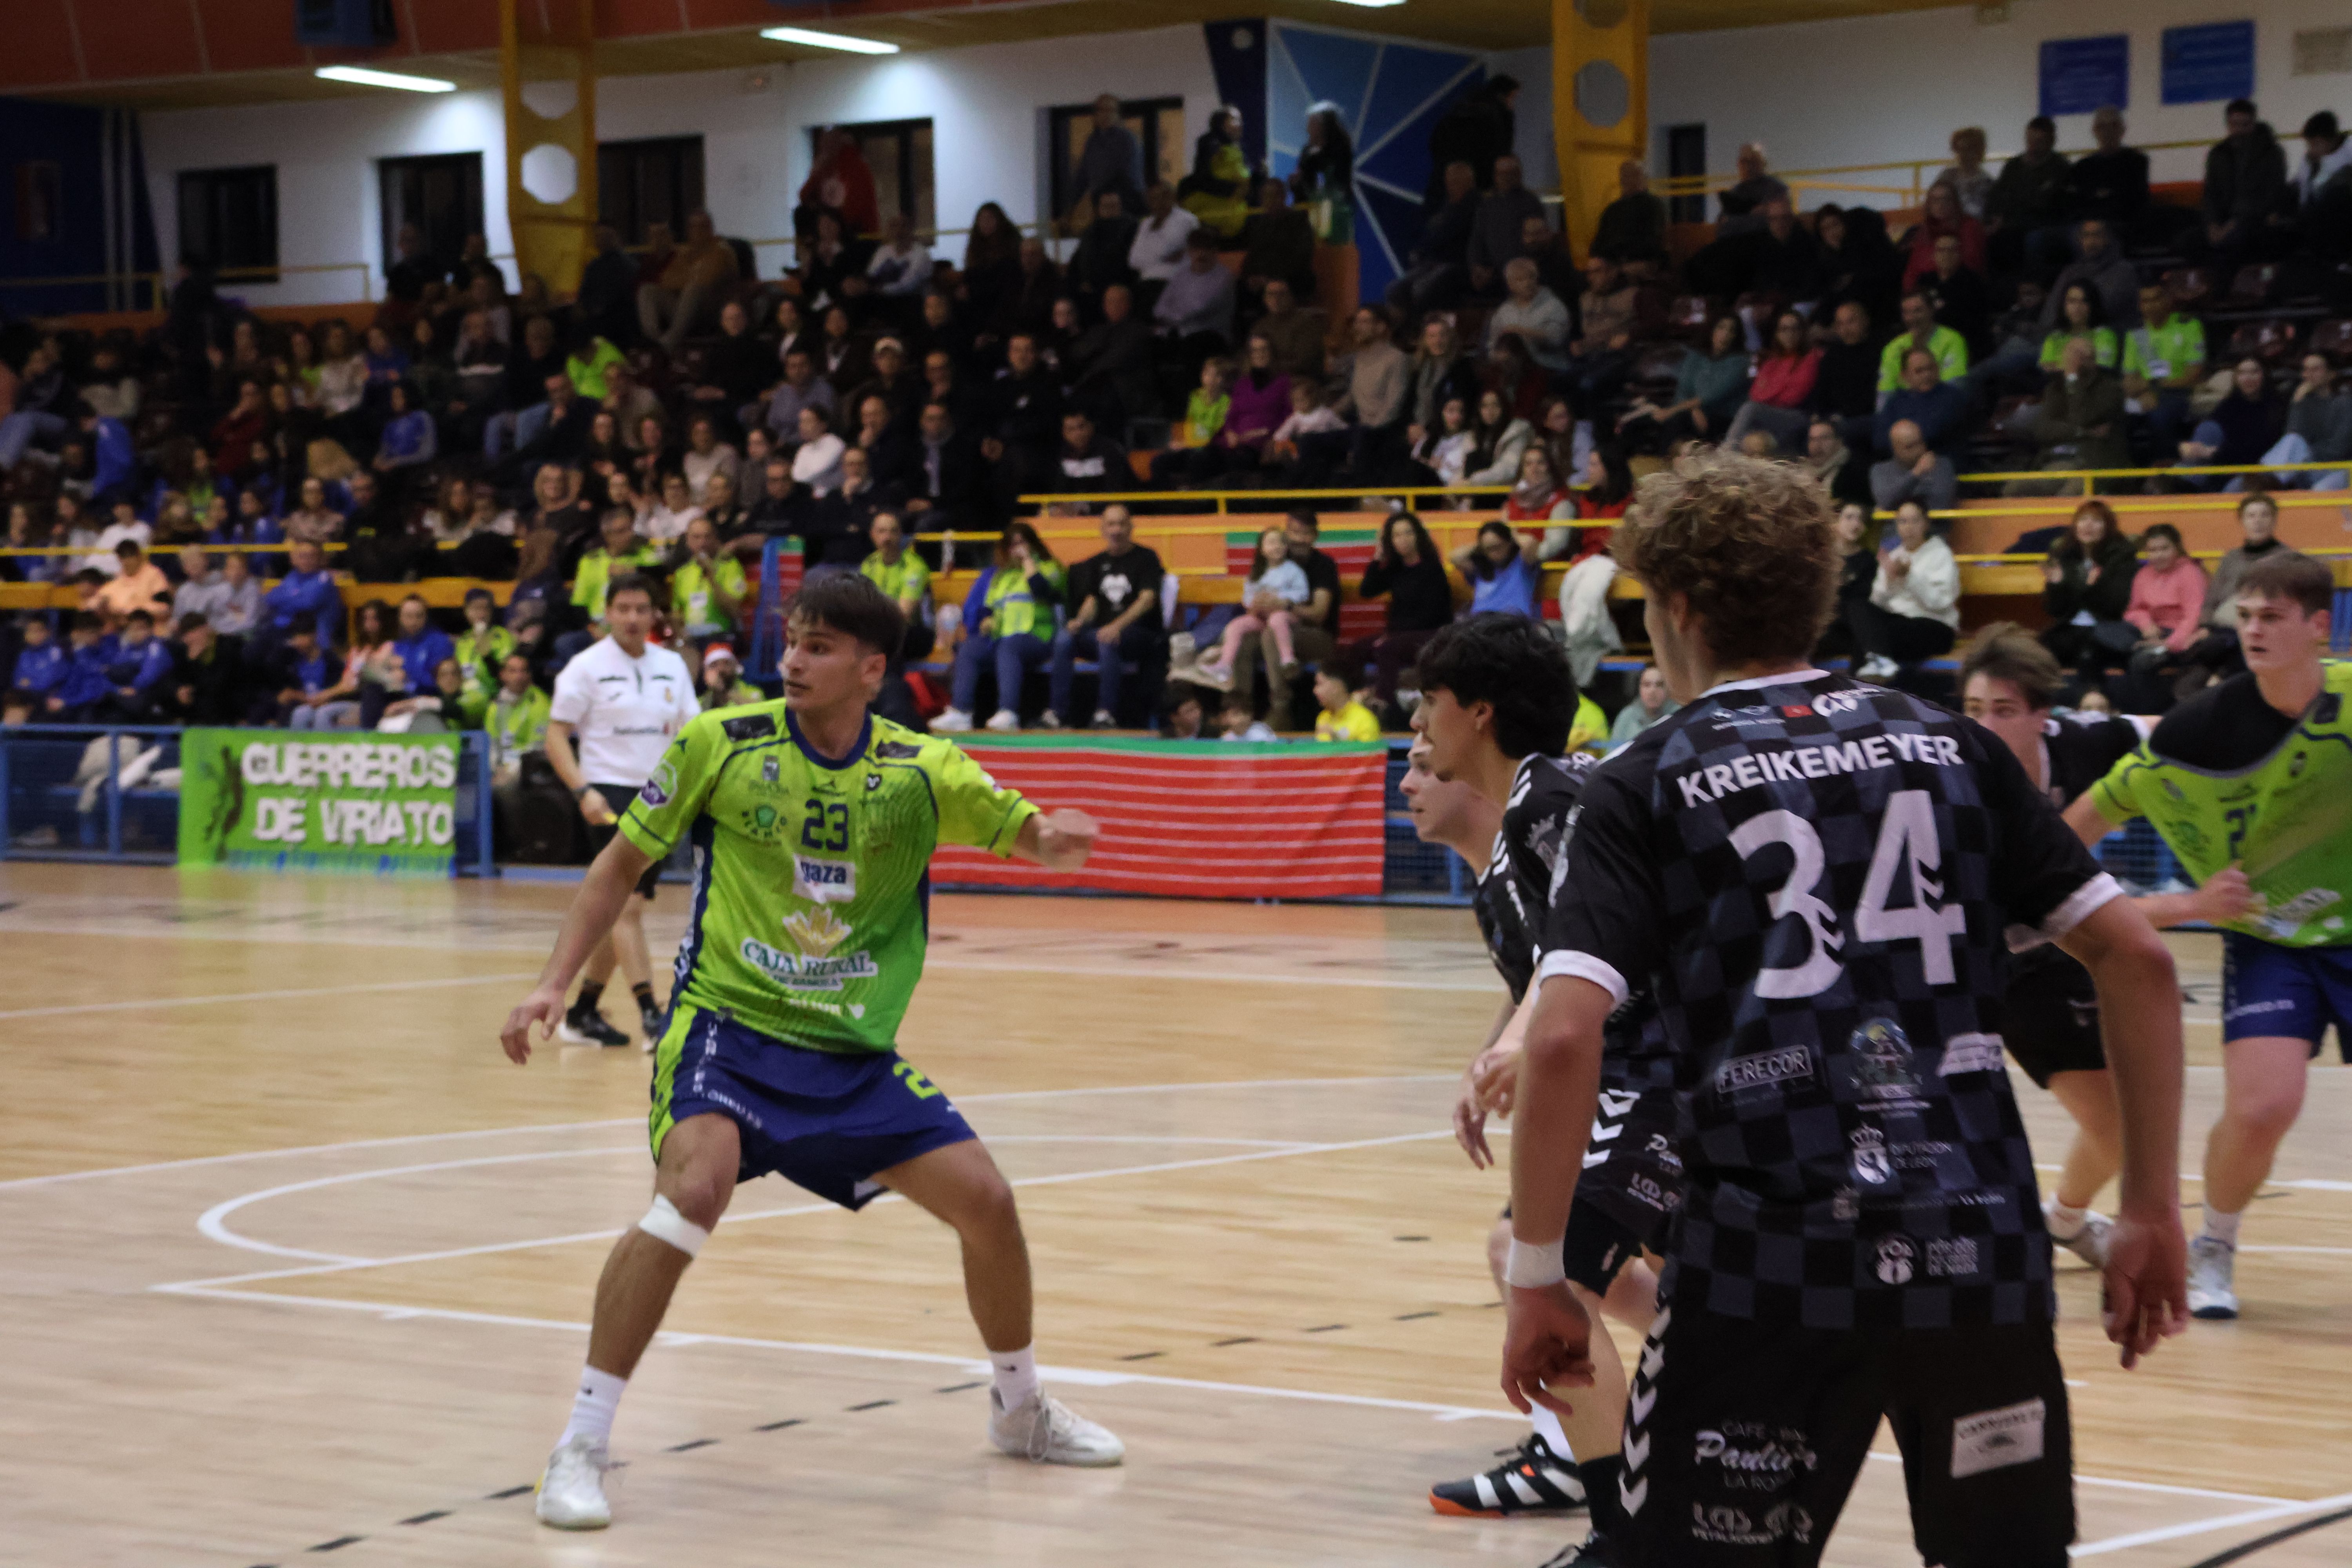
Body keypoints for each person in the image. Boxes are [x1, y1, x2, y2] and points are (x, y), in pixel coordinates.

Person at [1505, 447, 2189, 1568]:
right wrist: (2152, 1206)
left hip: (1764, 1276)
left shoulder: (1645, 779)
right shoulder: (1954, 748)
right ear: (1820, 592)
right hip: (1976, 1260)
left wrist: (1539, 1276)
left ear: (1676, 608)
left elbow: (1567, 1032)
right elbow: (2140, 964)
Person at [508, 573, 1119, 1531]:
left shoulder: (922, 768)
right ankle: (579, 1443)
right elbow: (619, 866)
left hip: (851, 1054)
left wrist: (1054, 840)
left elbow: (1023, 832)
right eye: (794, 640)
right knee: (691, 1198)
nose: (794, 658)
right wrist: (552, 983)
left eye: (822, 645)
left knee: (990, 1204)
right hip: (727, 1030)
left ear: (872, 670)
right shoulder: (722, 742)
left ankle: (1020, 1408)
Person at [1412, 613, 1676, 1561]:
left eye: (1430, 705)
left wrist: (1539, 1039)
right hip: (1638, 1070)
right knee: (1567, 1263)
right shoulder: (1533, 811)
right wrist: (1517, 1040)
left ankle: (1618, 1526)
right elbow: (1561, 969)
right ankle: (1622, 1508)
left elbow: (1622, 939)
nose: (1421, 728)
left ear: (1477, 713)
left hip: (1666, 1070)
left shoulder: (1553, 799)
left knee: (1553, 1263)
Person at [2062, 550, 2348, 1322]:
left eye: (2271, 617)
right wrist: (2182, 901)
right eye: (2245, 616)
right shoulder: (2201, 731)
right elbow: (2077, 827)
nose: (2252, 630)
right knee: (2263, 1108)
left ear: (2319, 627)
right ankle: (2215, 1241)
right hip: (2272, 939)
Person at [1960, 625, 2250, 1270]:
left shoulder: (2083, 743)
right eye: (1973, 710)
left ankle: (2062, 1219)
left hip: (2070, 951)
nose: (1982, 726)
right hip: (2010, 962)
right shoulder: (1963, 792)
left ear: (2044, 716)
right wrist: (2195, 905)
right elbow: (2074, 917)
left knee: (2122, 1123)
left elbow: (2168, 730)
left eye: (2003, 711)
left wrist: (2242, 704)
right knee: (2119, 1126)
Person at [543, 574, 698, 1049]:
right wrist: (583, 789)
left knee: (621, 910)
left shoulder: (672, 665)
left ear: (654, 615)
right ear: (607, 613)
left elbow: (692, 733)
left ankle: (585, 1010)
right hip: (607, 796)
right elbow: (555, 736)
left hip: (660, 795)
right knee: (627, 905)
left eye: (641, 609)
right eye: (624, 608)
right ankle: (652, 1015)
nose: (633, 618)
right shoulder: (585, 667)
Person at [931, 523, 1067, 734]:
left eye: (1022, 543)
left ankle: (1009, 713)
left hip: (1038, 637)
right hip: (1002, 638)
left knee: (1009, 648)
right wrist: (987, 620)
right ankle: (961, 713)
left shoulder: (1050, 567)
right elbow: (988, 607)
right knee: (970, 649)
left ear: (1034, 544)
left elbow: (1044, 592)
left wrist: (1029, 562)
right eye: (1012, 546)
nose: (1017, 549)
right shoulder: (1001, 577)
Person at [1046, 505, 1163, 731]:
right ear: (1102, 529)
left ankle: (1105, 713)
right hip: (1101, 633)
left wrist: (1116, 627)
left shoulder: (1147, 558)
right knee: (1064, 640)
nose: (1116, 530)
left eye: (1121, 524)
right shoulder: (1095, 564)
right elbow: (1092, 602)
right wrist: (1078, 622)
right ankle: (1056, 714)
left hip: (1140, 634)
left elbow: (1147, 600)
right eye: (1111, 524)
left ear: (1131, 527)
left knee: (1107, 639)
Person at [1349, 512, 1454, 714]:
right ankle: (1355, 701)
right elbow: (1367, 591)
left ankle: (1383, 703)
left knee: (1386, 648)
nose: (1403, 539)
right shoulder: (1395, 569)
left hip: (1432, 635)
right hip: (1399, 636)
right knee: (1358, 648)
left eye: (1408, 533)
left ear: (1418, 536)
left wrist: (1392, 636)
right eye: (1397, 535)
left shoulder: (1432, 569)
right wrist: (1377, 559)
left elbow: (1433, 615)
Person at [1848, 497, 1959, 682]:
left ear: (1926, 524)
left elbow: (1940, 603)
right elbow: (1878, 603)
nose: (1909, 527)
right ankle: (1877, 671)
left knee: (1867, 643)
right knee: (1857, 607)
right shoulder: (1894, 556)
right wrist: (1891, 581)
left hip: (1934, 627)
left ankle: (1858, 691)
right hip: (1900, 625)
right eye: (1903, 521)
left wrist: (1910, 577)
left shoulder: (1941, 554)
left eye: (1915, 521)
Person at [1189, 525, 1310, 691]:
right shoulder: (1257, 573)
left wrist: (1280, 600)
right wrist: (1254, 605)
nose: (1277, 546)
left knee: (1277, 619)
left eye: (1281, 543)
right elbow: (1248, 598)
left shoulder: (1293, 571)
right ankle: (1225, 664)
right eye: (1271, 543)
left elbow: (1302, 593)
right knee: (1236, 626)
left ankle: (1287, 659)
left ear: (1286, 547)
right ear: (1262, 549)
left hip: (1286, 615)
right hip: (1262, 616)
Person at [2122, 281, 2207, 460]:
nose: (2152, 305)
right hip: (2144, 395)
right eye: (2146, 301)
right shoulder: (2137, 333)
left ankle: (2165, 469)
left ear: (2168, 300)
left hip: (2179, 394)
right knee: (2117, 416)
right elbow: (2129, 380)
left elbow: (2193, 374)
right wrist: (2145, 392)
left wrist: (2153, 388)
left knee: (2160, 416)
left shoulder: (2188, 326)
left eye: (2157, 299)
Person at [2203, 99, 2289, 268]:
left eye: (2245, 125)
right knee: (2187, 241)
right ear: (2228, 124)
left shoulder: (2271, 153)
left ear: (2254, 124)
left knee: (2234, 240)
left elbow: (2270, 196)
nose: (2239, 130)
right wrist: (2212, 223)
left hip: (2255, 222)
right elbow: (2210, 194)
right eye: (2235, 125)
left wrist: (2232, 224)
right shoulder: (2218, 154)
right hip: (2223, 222)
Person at [2264, 351, 2352, 490]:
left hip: (2338, 469)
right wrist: (2297, 403)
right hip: (2306, 467)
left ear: (2331, 374)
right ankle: (2266, 484)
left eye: (2316, 369)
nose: (2308, 375)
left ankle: (2267, 485)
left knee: (2320, 490)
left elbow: (2338, 451)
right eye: (2306, 370)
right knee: (2237, 485)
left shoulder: (2345, 404)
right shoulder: (2303, 403)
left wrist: (2303, 453)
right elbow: (2291, 438)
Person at [1448, 521, 1540, 621]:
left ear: (1509, 543)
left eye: (1498, 547)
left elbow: (1530, 543)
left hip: (1514, 621)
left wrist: (1512, 534)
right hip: (1481, 621)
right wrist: (1481, 544)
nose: (1494, 553)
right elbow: (1454, 557)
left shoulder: (1522, 563)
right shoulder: (1481, 566)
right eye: (1488, 549)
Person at [1870, 414, 1957, 515]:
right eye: (1910, 447)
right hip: (1894, 530)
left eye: (1920, 443)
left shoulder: (1942, 465)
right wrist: (1916, 474)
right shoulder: (1880, 470)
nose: (1918, 450)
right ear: (1895, 449)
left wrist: (1903, 500)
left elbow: (1941, 504)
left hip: (1935, 528)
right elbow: (1886, 502)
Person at [1592, 161, 1668, 275]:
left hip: (1642, 260)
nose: (1627, 180)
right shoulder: (1612, 210)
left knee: (1616, 273)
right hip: (1613, 260)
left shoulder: (1653, 206)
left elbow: (1651, 241)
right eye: (1625, 176)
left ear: (1643, 178)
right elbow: (1599, 242)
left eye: (1633, 175)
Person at [1607, 663, 1678, 746]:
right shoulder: (1627, 716)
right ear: (1640, 689)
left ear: (1669, 689)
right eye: (1647, 685)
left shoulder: (1680, 715)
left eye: (1659, 685)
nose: (1653, 691)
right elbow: (1613, 753)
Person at [1310, 665, 1379, 740]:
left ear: (1336, 687)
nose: (1315, 691)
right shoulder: (1323, 718)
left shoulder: (1364, 720)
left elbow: (1369, 751)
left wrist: (1337, 738)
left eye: (1320, 684)